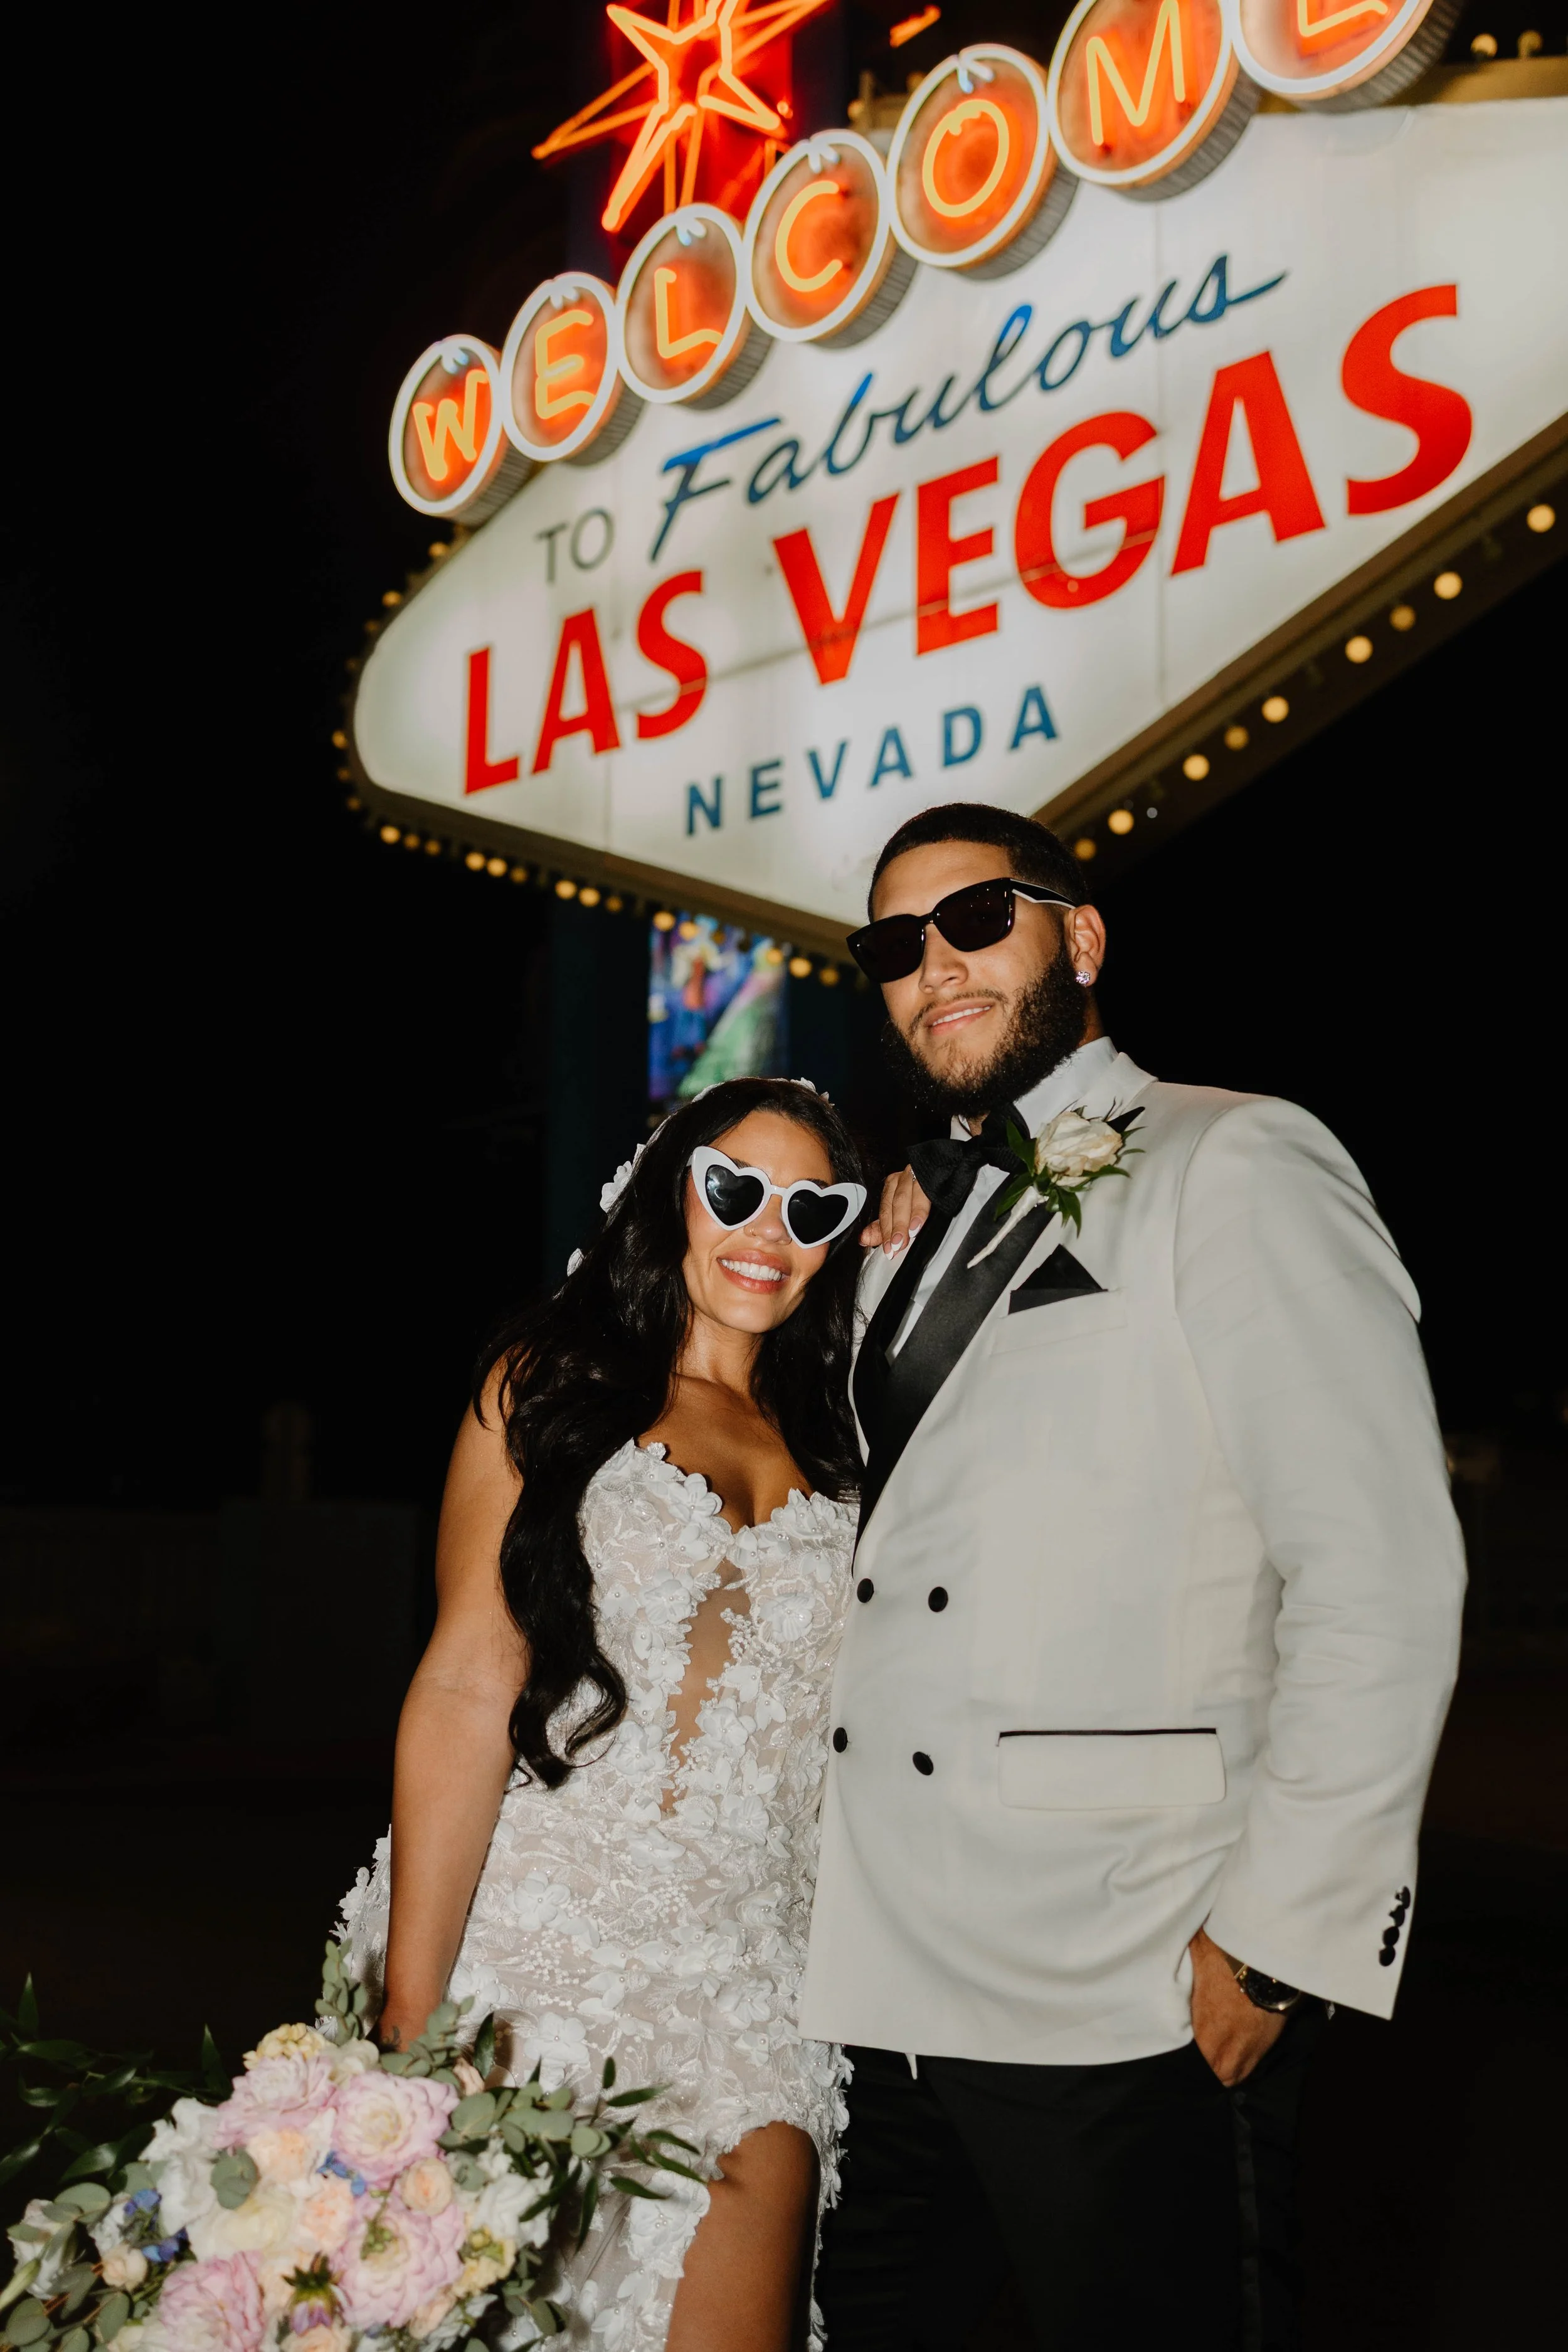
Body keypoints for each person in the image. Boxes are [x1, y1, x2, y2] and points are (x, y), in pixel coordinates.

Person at [802, 804, 1466, 2351]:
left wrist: (1283, 1941)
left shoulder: (1236, 1158)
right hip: (874, 1993)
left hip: (1125, 1977)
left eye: (978, 920)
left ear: (1078, 938)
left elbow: (1374, 1572)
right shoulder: (893, 1232)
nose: (935, 968)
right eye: (895, 947)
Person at [339, 1078, 868, 2352]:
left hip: (751, 1991)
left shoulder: (852, 1432)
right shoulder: (549, 1385)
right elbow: (469, 1681)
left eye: (812, 1208)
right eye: (734, 1190)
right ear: (667, 1197)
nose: (766, 1230)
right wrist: (408, 2028)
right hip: (530, 1960)